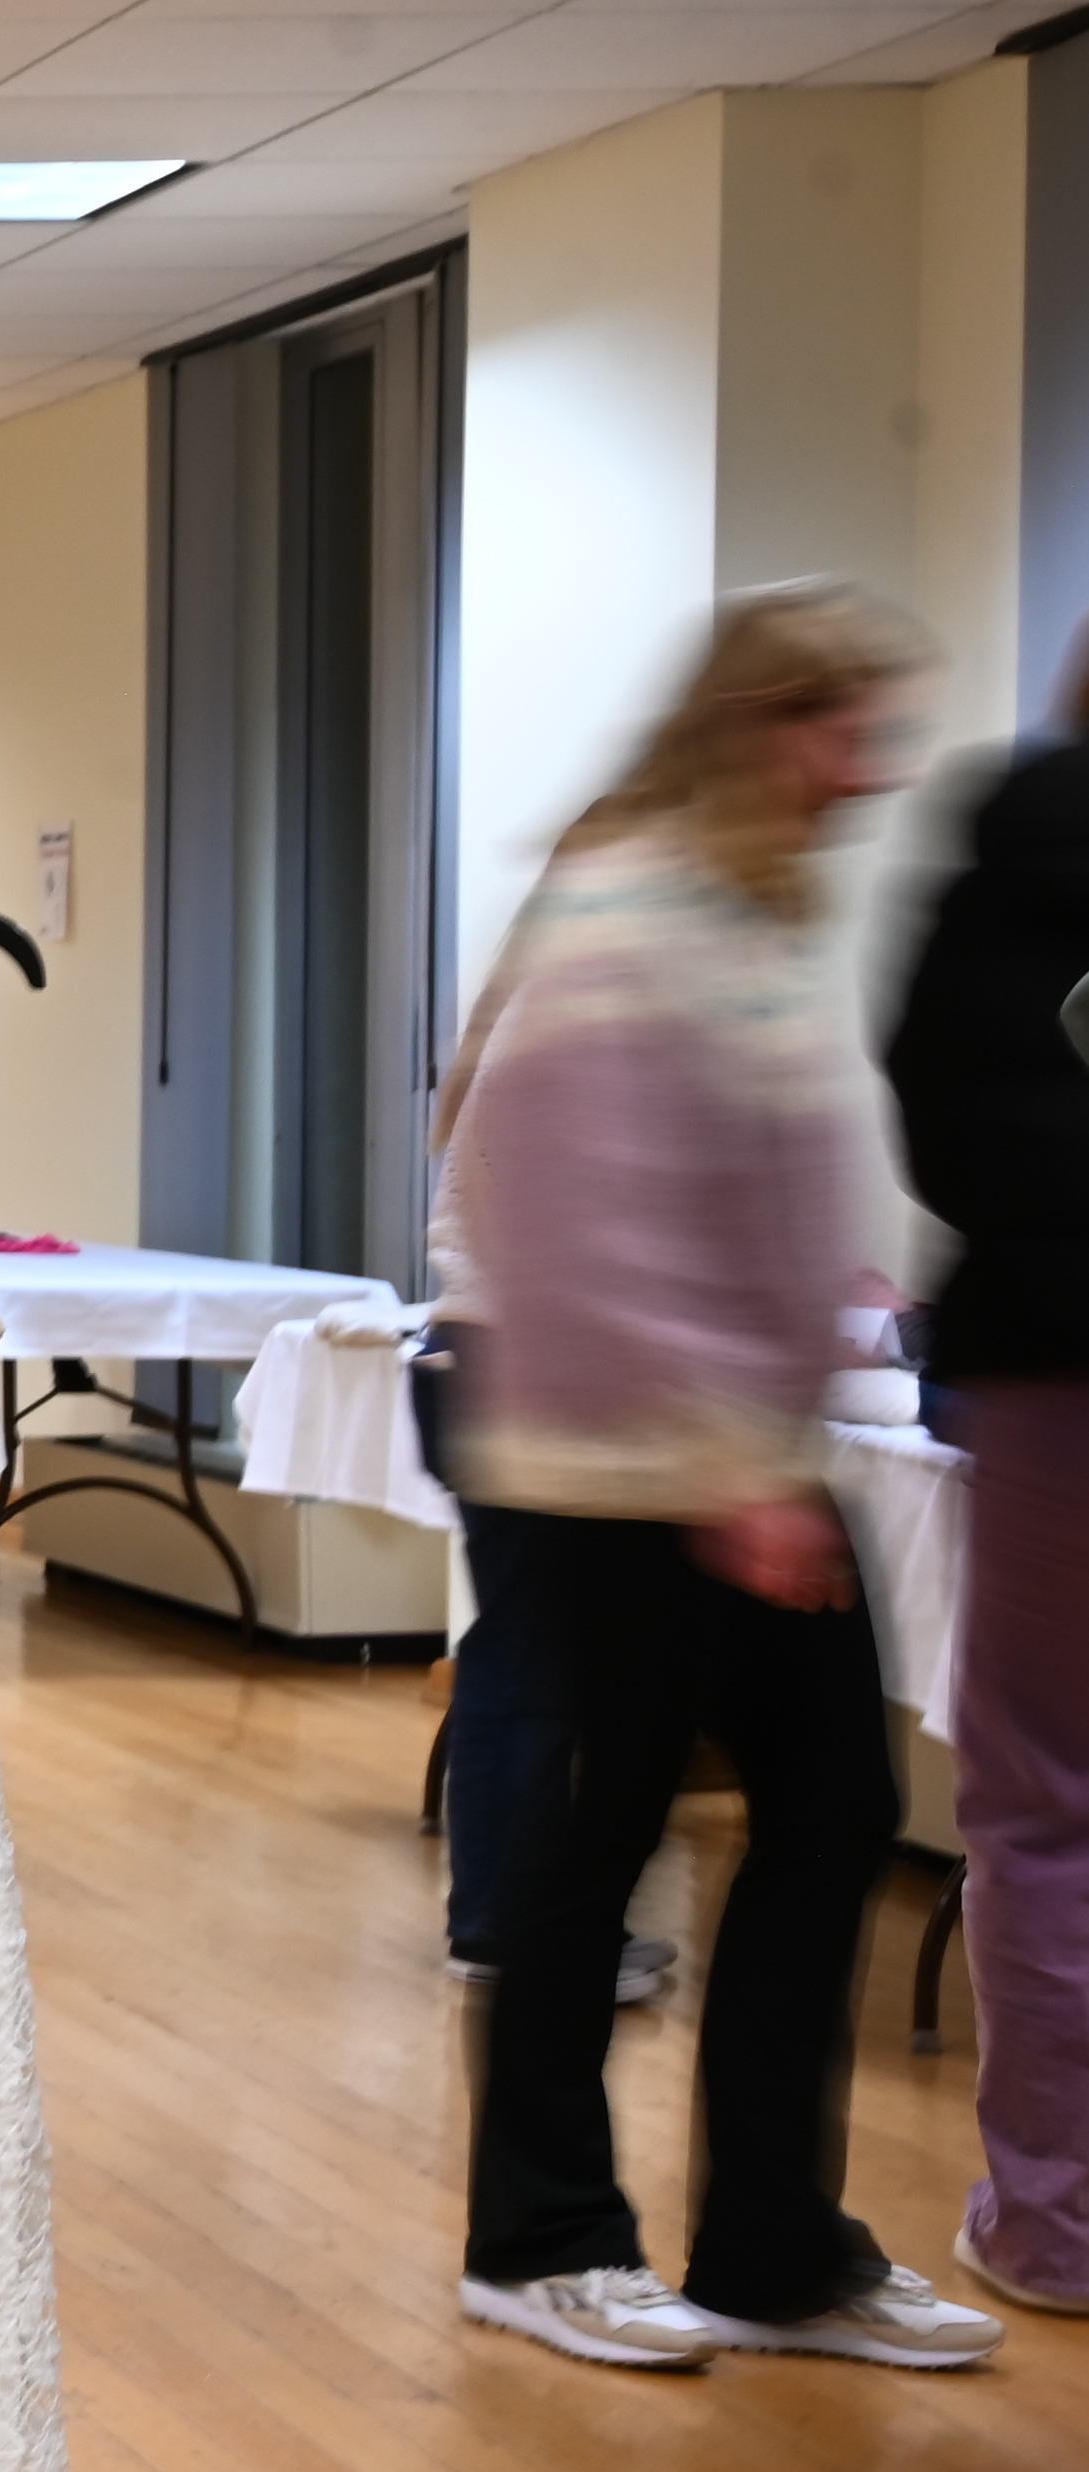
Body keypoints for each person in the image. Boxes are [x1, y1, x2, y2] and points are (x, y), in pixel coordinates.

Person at [445, 582, 1000, 2375]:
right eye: (850, 730)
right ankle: (536, 2239)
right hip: (609, 1472)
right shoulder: (628, 911)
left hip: (741, 1458)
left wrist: (813, 1318)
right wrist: (719, 1469)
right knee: (591, 1848)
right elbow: (571, 1226)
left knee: (833, 1812)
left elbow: (728, 1185)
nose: (875, 770)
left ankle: (772, 2247)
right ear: (761, 724)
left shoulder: (752, 908)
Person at [883, 629, 1089, 2313]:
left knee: (1044, 1802)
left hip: (1056, 1360)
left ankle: (1055, 2224)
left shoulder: (1012, 850)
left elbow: (933, 1107)